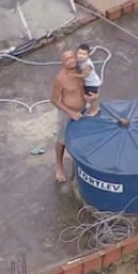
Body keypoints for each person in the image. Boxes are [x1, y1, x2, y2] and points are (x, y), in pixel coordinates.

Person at [52, 49, 86, 182]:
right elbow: (54, 99)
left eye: (72, 57)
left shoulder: (80, 71)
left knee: (82, 137)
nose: (71, 61)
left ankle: (80, 163)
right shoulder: (60, 78)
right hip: (67, 113)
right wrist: (70, 112)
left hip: (83, 110)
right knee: (62, 140)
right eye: (67, 59)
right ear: (62, 62)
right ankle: (59, 167)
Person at [75, 43, 102, 116]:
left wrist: (73, 75)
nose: (81, 56)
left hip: (92, 84)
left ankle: (95, 110)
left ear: (88, 55)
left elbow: (83, 76)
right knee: (91, 97)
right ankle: (95, 105)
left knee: (91, 97)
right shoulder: (79, 61)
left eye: (84, 54)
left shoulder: (88, 65)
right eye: (79, 53)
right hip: (88, 83)